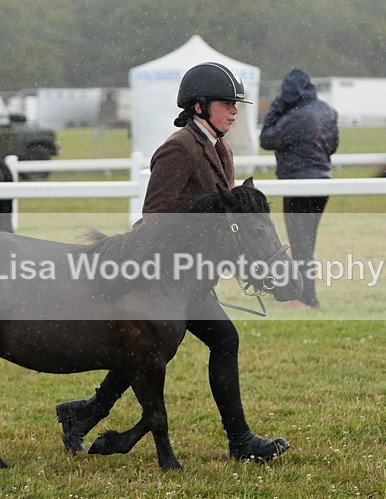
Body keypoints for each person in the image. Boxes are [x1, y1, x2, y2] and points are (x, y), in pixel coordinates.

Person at [55, 62, 290, 462]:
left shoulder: (221, 147)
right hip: (160, 272)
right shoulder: (178, 148)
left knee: (165, 348)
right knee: (186, 344)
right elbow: (155, 215)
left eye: (236, 104)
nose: (234, 111)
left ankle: (85, 412)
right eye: (226, 104)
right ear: (199, 107)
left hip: (190, 276)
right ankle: (240, 440)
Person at [259, 69, 339, 308]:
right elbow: (332, 147)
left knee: (300, 242)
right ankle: (306, 294)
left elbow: (266, 139)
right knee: (307, 241)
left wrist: (275, 107)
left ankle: (306, 297)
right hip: (322, 181)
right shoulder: (328, 111)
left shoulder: (294, 116)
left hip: (298, 182)